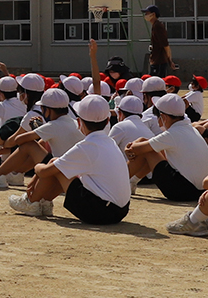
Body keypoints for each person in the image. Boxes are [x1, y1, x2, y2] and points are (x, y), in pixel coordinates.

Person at [9, 94, 131, 225]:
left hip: (101, 212)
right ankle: (42, 202)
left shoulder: (86, 146)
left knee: (57, 168)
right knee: (57, 163)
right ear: (107, 121)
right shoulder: (109, 141)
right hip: (120, 210)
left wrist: (37, 168)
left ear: (79, 122)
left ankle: (32, 202)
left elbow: (44, 172)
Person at [125, 93, 208, 202]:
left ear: (163, 117)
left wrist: (129, 147)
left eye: (157, 115)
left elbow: (138, 149)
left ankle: (120, 183)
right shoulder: (189, 128)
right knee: (151, 147)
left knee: (147, 148)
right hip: (198, 190)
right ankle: (131, 182)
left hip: (183, 191)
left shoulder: (172, 133)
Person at [142, 5, 172, 76]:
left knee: (156, 84)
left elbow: (165, 45)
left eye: (147, 13)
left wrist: (170, 60)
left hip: (159, 61)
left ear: (153, 14)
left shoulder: (158, 26)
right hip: (156, 60)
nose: (145, 15)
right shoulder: (155, 25)